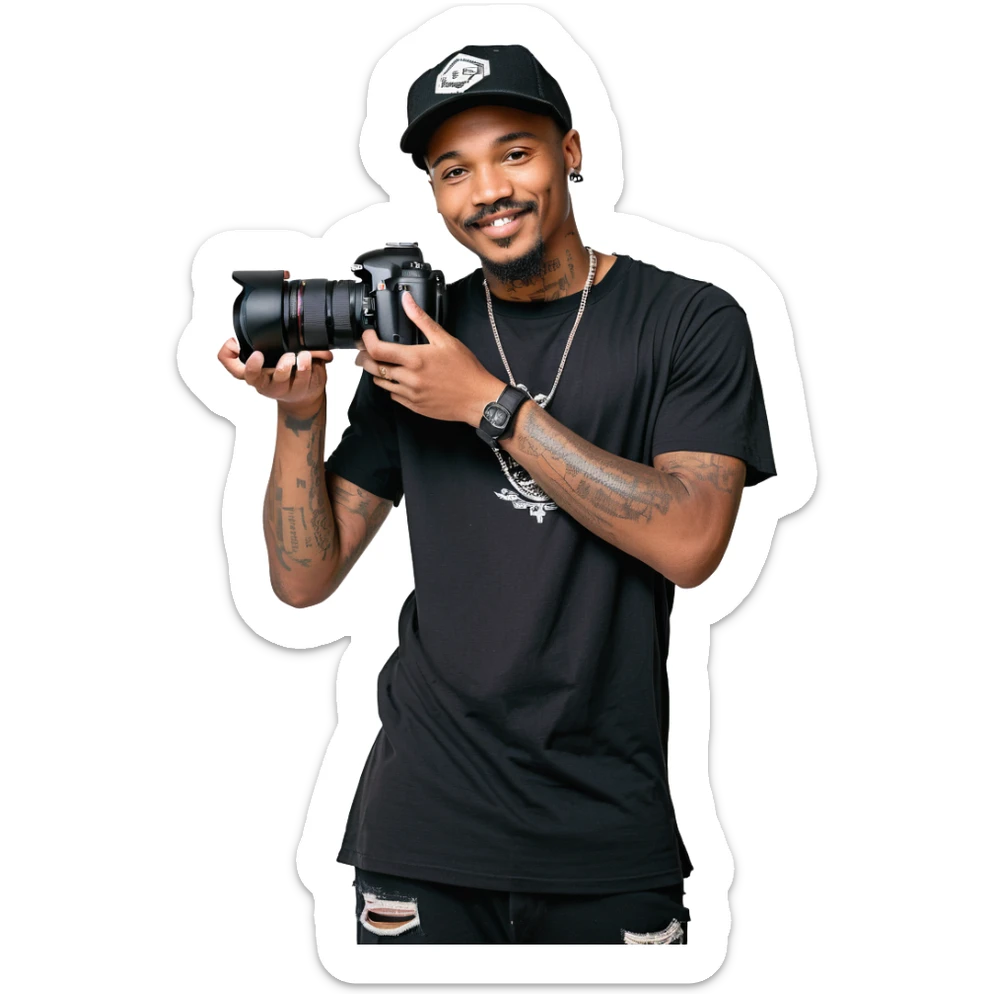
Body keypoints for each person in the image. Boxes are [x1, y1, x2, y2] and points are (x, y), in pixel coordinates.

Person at [218, 44, 776, 945]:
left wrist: (486, 403)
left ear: (572, 151)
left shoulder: (691, 319)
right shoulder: (417, 334)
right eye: (453, 170)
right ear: (435, 194)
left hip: (607, 829)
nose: (487, 191)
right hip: (423, 822)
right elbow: (303, 580)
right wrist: (299, 418)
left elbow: (691, 541)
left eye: (514, 152)